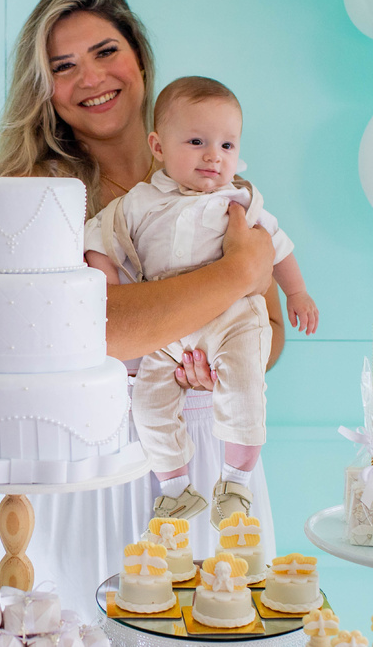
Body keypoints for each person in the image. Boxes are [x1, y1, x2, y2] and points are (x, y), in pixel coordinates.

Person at [0, 0, 282, 610]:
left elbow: (271, 330)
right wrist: (235, 273)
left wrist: (220, 364)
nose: (91, 77)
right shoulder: (36, 193)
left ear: (140, 59)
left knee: (212, 636)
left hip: (213, 457)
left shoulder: (208, 171)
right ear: (44, 89)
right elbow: (104, 330)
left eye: (106, 51)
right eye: (63, 66)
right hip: (94, 461)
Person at [86, 76, 318, 526]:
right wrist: (108, 283)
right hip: (167, 329)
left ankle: (237, 479)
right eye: (197, 142)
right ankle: (175, 486)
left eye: (227, 145)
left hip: (232, 319)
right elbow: (100, 239)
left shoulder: (238, 202)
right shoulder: (139, 202)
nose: (214, 156)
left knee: (244, 387)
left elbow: (277, 247)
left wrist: (297, 292)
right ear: (158, 146)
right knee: (149, 402)